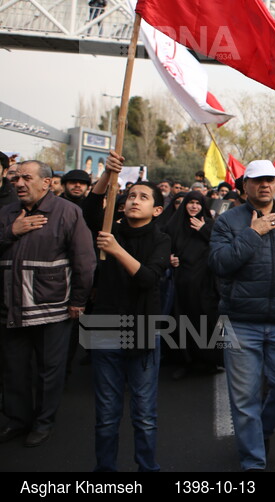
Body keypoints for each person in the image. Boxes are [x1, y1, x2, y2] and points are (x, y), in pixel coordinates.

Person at [207, 160, 275, 471]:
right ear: (245, 186)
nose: (264, 185)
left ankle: (263, 430)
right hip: (241, 324)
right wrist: (252, 234)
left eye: (269, 179)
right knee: (244, 401)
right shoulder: (228, 222)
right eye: (257, 180)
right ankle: (253, 462)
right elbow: (219, 263)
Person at [81, 150, 169, 471]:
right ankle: (105, 472)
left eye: (144, 197)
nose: (135, 200)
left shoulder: (161, 239)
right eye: (131, 195)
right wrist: (107, 173)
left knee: (144, 415)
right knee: (106, 414)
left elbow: (148, 278)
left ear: (156, 209)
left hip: (143, 329)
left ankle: (147, 468)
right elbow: (89, 209)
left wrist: (115, 250)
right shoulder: (109, 228)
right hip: (105, 326)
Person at [0, 161, 96, 447]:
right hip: (10, 307)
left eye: (27, 178)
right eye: (16, 178)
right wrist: (10, 232)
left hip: (52, 308)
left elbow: (85, 262)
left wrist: (78, 300)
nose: (19, 183)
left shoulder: (67, 212)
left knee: (49, 369)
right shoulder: (6, 213)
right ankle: (17, 420)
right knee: (13, 369)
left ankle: (43, 422)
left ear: (47, 183)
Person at [167, 190, 220, 379]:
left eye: (198, 203)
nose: (194, 207)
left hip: (205, 283)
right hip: (181, 282)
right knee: (182, 321)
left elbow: (221, 244)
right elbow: (166, 246)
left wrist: (203, 229)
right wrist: (169, 259)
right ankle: (185, 361)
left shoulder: (210, 224)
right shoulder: (175, 225)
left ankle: (208, 360)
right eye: (191, 203)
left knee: (205, 321)